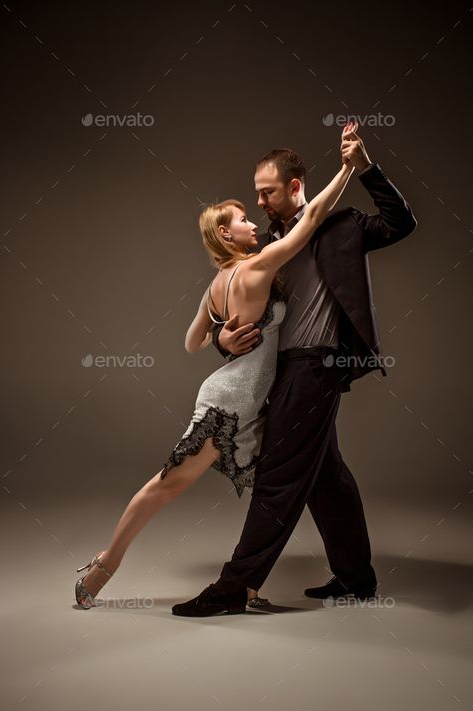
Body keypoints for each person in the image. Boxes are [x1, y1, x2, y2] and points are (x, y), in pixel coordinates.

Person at [74, 124, 356, 611]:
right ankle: (105, 565)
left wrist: (221, 335)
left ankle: (250, 584)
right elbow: (312, 220)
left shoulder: (217, 284)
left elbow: (190, 342)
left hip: (241, 397)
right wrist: (349, 168)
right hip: (229, 404)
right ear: (227, 232)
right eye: (244, 219)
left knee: (306, 469)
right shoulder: (256, 267)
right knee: (166, 485)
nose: (255, 222)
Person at [172, 126, 417, 617]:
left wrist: (363, 167)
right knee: (327, 476)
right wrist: (220, 337)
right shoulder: (265, 243)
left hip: (318, 365)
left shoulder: (342, 224)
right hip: (279, 369)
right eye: (257, 193)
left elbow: (401, 222)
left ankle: (233, 588)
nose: (259, 201)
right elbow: (229, 303)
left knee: (279, 475)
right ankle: (357, 578)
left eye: (267, 191)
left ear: (296, 185)